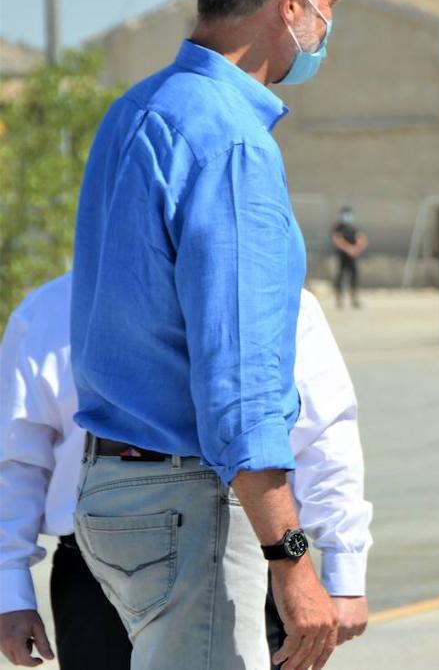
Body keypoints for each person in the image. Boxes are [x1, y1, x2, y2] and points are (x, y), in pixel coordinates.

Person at [68, 0, 341, 667]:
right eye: (330, 5)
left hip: (114, 489)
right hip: (186, 500)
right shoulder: (229, 145)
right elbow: (240, 384)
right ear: (293, 4)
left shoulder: (136, 112)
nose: (328, 28)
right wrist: (291, 557)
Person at [0, 275, 372, 669]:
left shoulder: (268, 293)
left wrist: (344, 567)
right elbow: (15, 462)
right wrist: (9, 590)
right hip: (96, 579)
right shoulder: (50, 309)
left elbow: (325, 437)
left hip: (250, 553)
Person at [331, 207, 368, 309]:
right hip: (342, 257)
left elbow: (361, 238)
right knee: (340, 277)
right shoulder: (338, 228)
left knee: (354, 277)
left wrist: (356, 249)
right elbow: (337, 239)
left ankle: (354, 298)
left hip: (353, 257)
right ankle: (339, 299)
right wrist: (348, 249)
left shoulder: (354, 228)